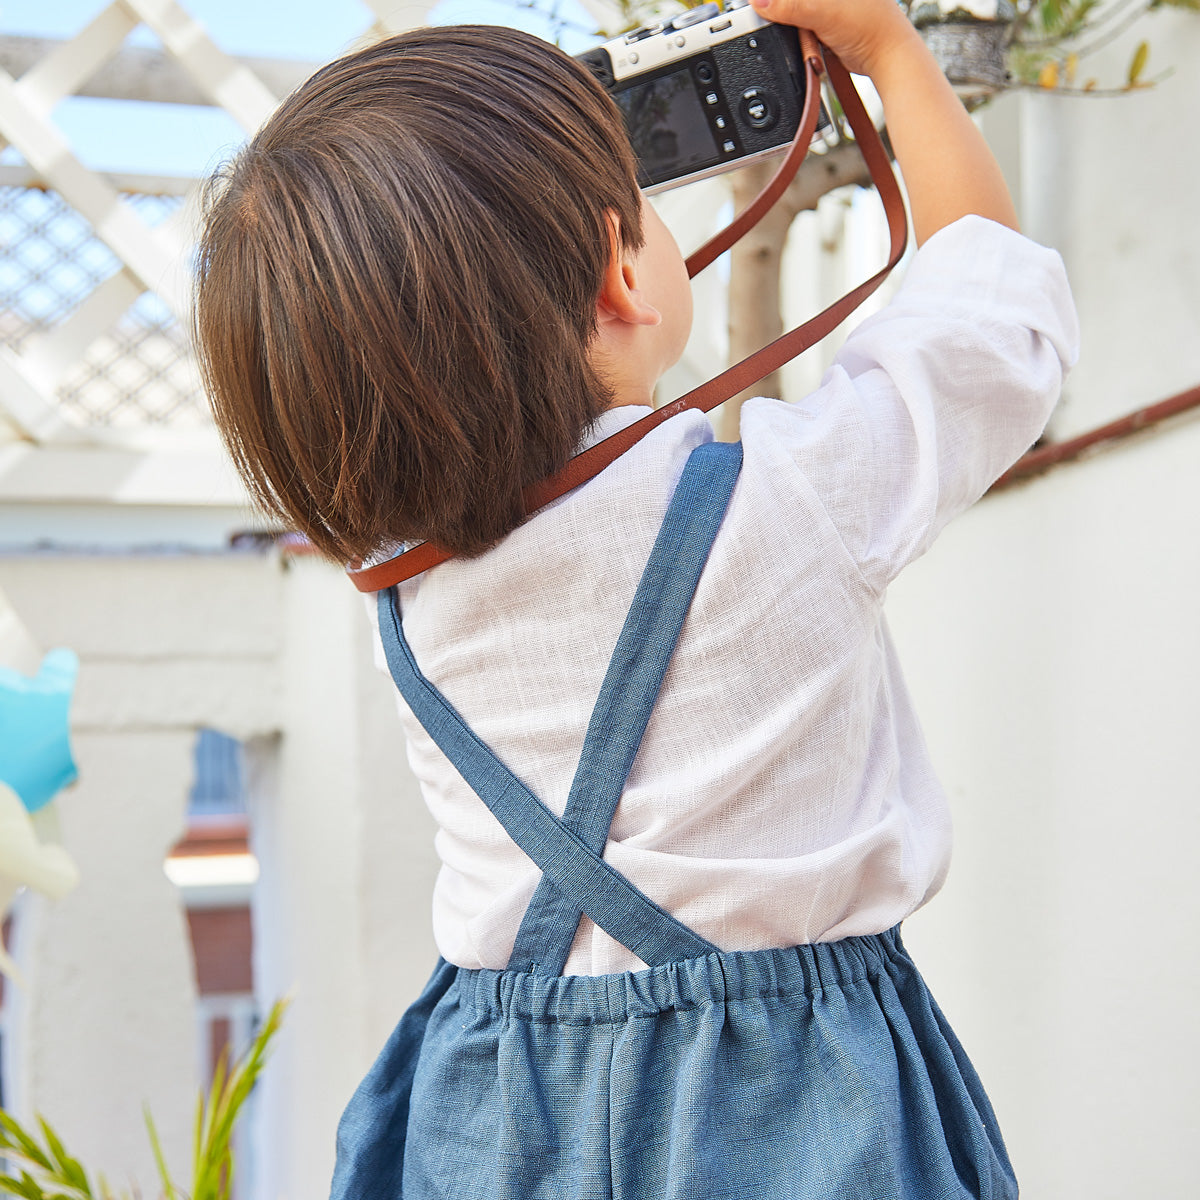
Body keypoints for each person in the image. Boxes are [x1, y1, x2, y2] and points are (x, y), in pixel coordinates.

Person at [193, 0, 1078, 1193]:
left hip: (498, 1096)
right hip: (789, 1089)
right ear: (622, 275)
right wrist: (888, 56)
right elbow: (992, 309)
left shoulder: (402, 591)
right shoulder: (794, 503)